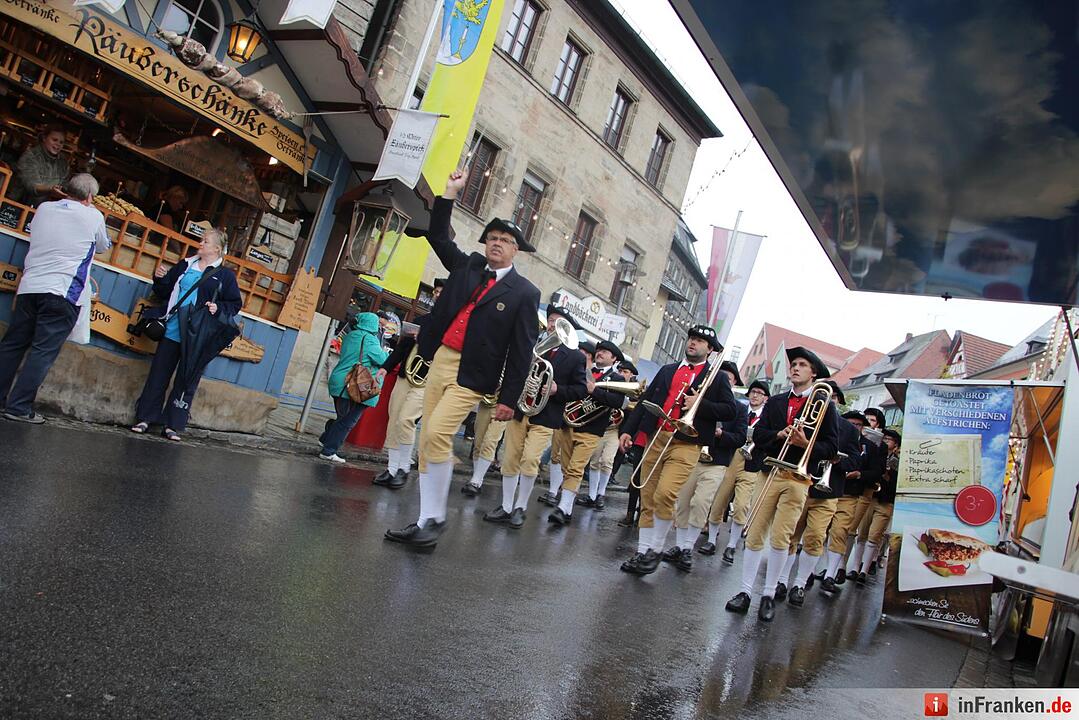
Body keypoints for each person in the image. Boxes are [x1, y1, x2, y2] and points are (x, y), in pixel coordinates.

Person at [384, 168, 540, 550]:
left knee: (437, 434)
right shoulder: (468, 265)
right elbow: (438, 235)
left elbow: (522, 351)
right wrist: (449, 193)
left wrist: (510, 400)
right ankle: (426, 520)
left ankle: (436, 518)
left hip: (473, 375)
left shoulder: (524, 292)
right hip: (439, 361)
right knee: (428, 442)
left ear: (515, 249)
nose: (496, 244)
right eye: (492, 238)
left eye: (504, 240)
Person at [724, 347, 838, 621]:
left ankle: (768, 593)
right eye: (794, 364)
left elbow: (832, 448)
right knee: (754, 533)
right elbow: (759, 435)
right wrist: (779, 434)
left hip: (798, 478)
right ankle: (745, 591)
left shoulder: (825, 406)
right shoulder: (775, 402)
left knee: (781, 537)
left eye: (802, 365)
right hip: (770, 472)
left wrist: (805, 443)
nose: (795, 368)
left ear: (814, 373)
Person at [617, 325, 737, 575]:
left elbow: (729, 410)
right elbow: (647, 401)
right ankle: (642, 552)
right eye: (692, 338)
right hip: (656, 435)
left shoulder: (717, 377)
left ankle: (657, 549)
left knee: (665, 494)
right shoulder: (668, 370)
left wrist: (700, 404)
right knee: (647, 496)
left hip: (686, 442)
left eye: (700, 341)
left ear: (710, 350)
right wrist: (628, 429)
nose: (693, 343)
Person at [0, 174, 109, 423]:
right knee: (42, 351)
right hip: (62, 290)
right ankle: (18, 408)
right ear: (91, 197)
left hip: (30, 286)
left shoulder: (44, 208)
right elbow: (103, 246)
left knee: (13, 344)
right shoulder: (94, 216)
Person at [130, 229, 241, 440]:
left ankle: (172, 423)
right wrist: (160, 278)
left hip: (198, 335)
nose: (200, 243)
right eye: (202, 240)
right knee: (158, 374)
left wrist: (217, 308)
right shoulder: (186, 264)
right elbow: (163, 291)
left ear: (217, 249)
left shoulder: (225, 275)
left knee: (186, 379)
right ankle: (145, 417)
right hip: (173, 328)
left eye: (205, 241)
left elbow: (234, 304)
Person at [777, 380, 860, 604]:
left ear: (838, 402)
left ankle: (800, 584)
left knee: (815, 537)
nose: (828, 403)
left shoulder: (850, 430)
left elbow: (854, 460)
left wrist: (837, 460)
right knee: (791, 535)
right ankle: (782, 580)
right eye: (824, 398)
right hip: (803, 483)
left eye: (832, 400)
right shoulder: (804, 419)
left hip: (829, 490)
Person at [662, 361, 748, 572]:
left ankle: (688, 547)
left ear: (734, 382)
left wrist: (722, 435)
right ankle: (679, 545)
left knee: (701, 502)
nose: (723, 381)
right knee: (682, 501)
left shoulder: (738, 408)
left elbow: (740, 438)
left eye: (728, 379)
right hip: (693, 456)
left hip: (717, 462)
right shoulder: (697, 397)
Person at [701, 378, 769, 561]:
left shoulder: (768, 416)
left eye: (759, 393)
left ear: (766, 398)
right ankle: (711, 540)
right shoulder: (738, 409)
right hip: (731, 456)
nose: (755, 395)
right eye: (753, 392)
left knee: (741, 506)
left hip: (751, 463)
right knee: (719, 500)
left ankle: (731, 546)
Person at [819, 409, 881, 590]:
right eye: (850, 423)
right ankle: (814, 570)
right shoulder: (831, 436)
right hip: (827, 490)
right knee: (819, 532)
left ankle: (830, 574)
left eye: (859, 425)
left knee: (840, 532)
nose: (854, 427)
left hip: (850, 494)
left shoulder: (872, 446)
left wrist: (859, 474)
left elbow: (875, 471)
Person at [316, 312, 389, 462]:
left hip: (340, 380)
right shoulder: (369, 339)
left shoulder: (351, 335)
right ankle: (329, 451)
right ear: (373, 324)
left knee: (342, 417)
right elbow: (382, 360)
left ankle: (325, 439)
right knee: (348, 421)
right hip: (357, 383)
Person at [575, 340, 629, 510]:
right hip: (587, 423)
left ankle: (601, 494)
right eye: (599, 351)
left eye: (605, 352)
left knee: (606, 461)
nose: (600, 353)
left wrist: (595, 391)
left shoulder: (617, 378)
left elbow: (617, 401)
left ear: (614, 358)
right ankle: (592, 496)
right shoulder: (587, 371)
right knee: (594, 462)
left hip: (610, 427)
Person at [373, 319, 427, 488]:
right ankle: (391, 469)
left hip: (426, 383)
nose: (440, 296)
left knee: (406, 420)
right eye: (437, 292)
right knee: (394, 420)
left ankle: (404, 468)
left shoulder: (449, 325)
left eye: (442, 292)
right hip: (404, 378)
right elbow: (400, 350)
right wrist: (386, 367)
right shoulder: (421, 321)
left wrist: (427, 340)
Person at [850, 428, 900, 581]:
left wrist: (887, 476)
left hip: (886, 502)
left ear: (896, 445)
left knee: (874, 536)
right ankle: (854, 568)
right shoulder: (876, 454)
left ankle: (864, 570)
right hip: (871, 496)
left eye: (889, 440)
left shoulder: (899, 462)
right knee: (862, 533)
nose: (885, 441)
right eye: (883, 438)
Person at [12, 124, 70, 207]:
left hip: (47, 209)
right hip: (20, 204)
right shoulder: (30, 156)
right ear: (44, 138)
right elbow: (32, 186)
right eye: (54, 140)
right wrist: (51, 189)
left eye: (61, 142)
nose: (58, 144)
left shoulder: (63, 163)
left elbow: (65, 185)